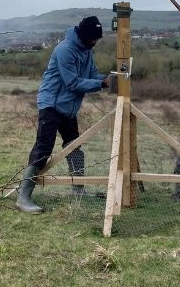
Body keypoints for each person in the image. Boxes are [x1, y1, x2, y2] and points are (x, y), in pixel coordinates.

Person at [16, 16, 111, 213]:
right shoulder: (65, 50)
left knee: (74, 147)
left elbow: (92, 75)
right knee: (43, 149)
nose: (94, 42)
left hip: (68, 107)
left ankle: (78, 190)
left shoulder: (87, 51)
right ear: (83, 35)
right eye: (92, 38)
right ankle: (23, 197)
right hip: (51, 103)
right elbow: (72, 82)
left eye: (97, 39)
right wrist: (101, 84)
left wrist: (109, 78)